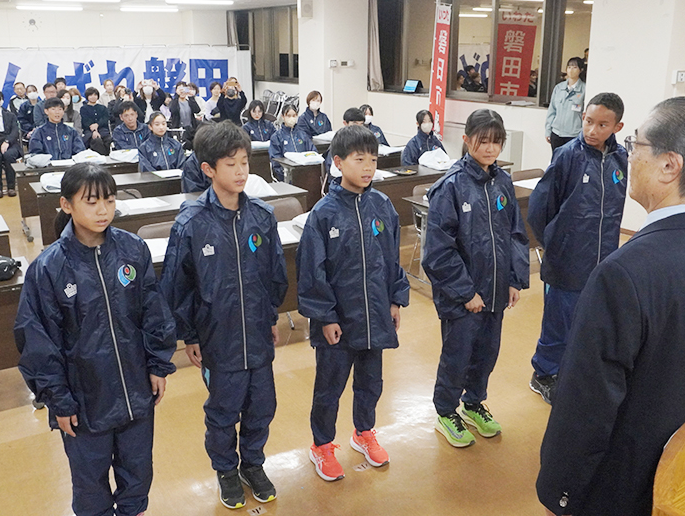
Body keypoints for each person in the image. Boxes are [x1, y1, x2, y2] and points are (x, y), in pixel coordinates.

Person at [536, 97, 685, 516]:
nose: (630, 155)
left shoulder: (623, 273)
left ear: (669, 165)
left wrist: (559, 494)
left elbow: (585, 406)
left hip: (619, 478)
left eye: (636, 144)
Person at [14, 163, 176, 516]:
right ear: (66, 204)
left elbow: (153, 311)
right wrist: (59, 401)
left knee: (138, 472)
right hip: (84, 401)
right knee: (90, 483)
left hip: (135, 391)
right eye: (91, 202)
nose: (103, 210)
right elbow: (37, 342)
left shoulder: (132, 250)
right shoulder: (49, 268)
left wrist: (158, 365)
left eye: (109, 200)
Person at [160, 121, 288, 509]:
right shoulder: (191, 223)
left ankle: (253, 463)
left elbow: (274, 274)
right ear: (208, 169)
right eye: (230, 164)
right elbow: (177, 287)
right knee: (222, 411)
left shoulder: (262, 216)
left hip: (258, 334)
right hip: (218, 338)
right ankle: (226, 470)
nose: (241, 171)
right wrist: (190, 335)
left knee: (262, 406)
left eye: (245, 162)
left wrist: (270, 316)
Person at [297, 124, 410, 482]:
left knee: (370, 382)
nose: (367, 167)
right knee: (329, 388)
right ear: (338, 162)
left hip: (375, 314)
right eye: (359, 159)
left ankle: (364, 432)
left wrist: (395, 299)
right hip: (338, 321)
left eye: (373, 160)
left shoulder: (382, 206)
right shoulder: (324, 214)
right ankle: (321, 444)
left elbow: (392, 258)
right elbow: (312, 272)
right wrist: (326, 316)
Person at [423, 109, 529, 448]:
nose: (490, 148)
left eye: (497, 142)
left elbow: (515, 234)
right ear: (467, 140)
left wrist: (514, 279)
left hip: (495, 290)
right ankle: (446, 411)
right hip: (463, 297)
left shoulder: (502, 182)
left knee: (486, 353)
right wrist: (466, 292)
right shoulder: (451, 187)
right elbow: (438, 252)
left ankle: (473, 403)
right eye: (483, 141)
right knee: (458, 355)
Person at [527, 93, 628, 404]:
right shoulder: (567, 156)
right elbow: (540, 208)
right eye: (588, 121)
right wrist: (556, 243)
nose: (592, 130)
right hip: (567, 260)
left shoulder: (620, 160)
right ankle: (544, 374)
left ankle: (573, 373)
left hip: (603, 260)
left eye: (602, 125)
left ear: (617, 127)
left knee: (590, 322)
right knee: (559, 323)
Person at [544, 57, 586, 154]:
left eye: (574, 67)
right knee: (557, 160)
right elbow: (552, 110)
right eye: (569, 67)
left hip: (574, 135)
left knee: (572, 161)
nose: (571, 70)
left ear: (581, 70)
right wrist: (548, 130)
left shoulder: (584, 89)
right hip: (556, 133)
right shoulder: (559, 88)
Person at [269, 104, 316, 182]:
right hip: (287, 176)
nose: (291, 118)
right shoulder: (276, 137)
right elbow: (276, 161)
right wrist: (286, 175)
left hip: (305, 174)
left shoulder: (302, 134)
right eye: (288, 116)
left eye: (294, 115)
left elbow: (313, 152)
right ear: (283, 116)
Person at [80, 87, 111, 155]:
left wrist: (97, 124)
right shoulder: (83, 108)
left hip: (102, 129)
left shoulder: (103, 108)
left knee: (108, 139)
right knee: (96, 140)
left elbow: (105, 118)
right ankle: (102, 156)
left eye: (95, 95)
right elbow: (85, 121)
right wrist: (94, 130)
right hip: (89, 131)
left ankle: (107, 156)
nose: (93, 97)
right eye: (91, 95)